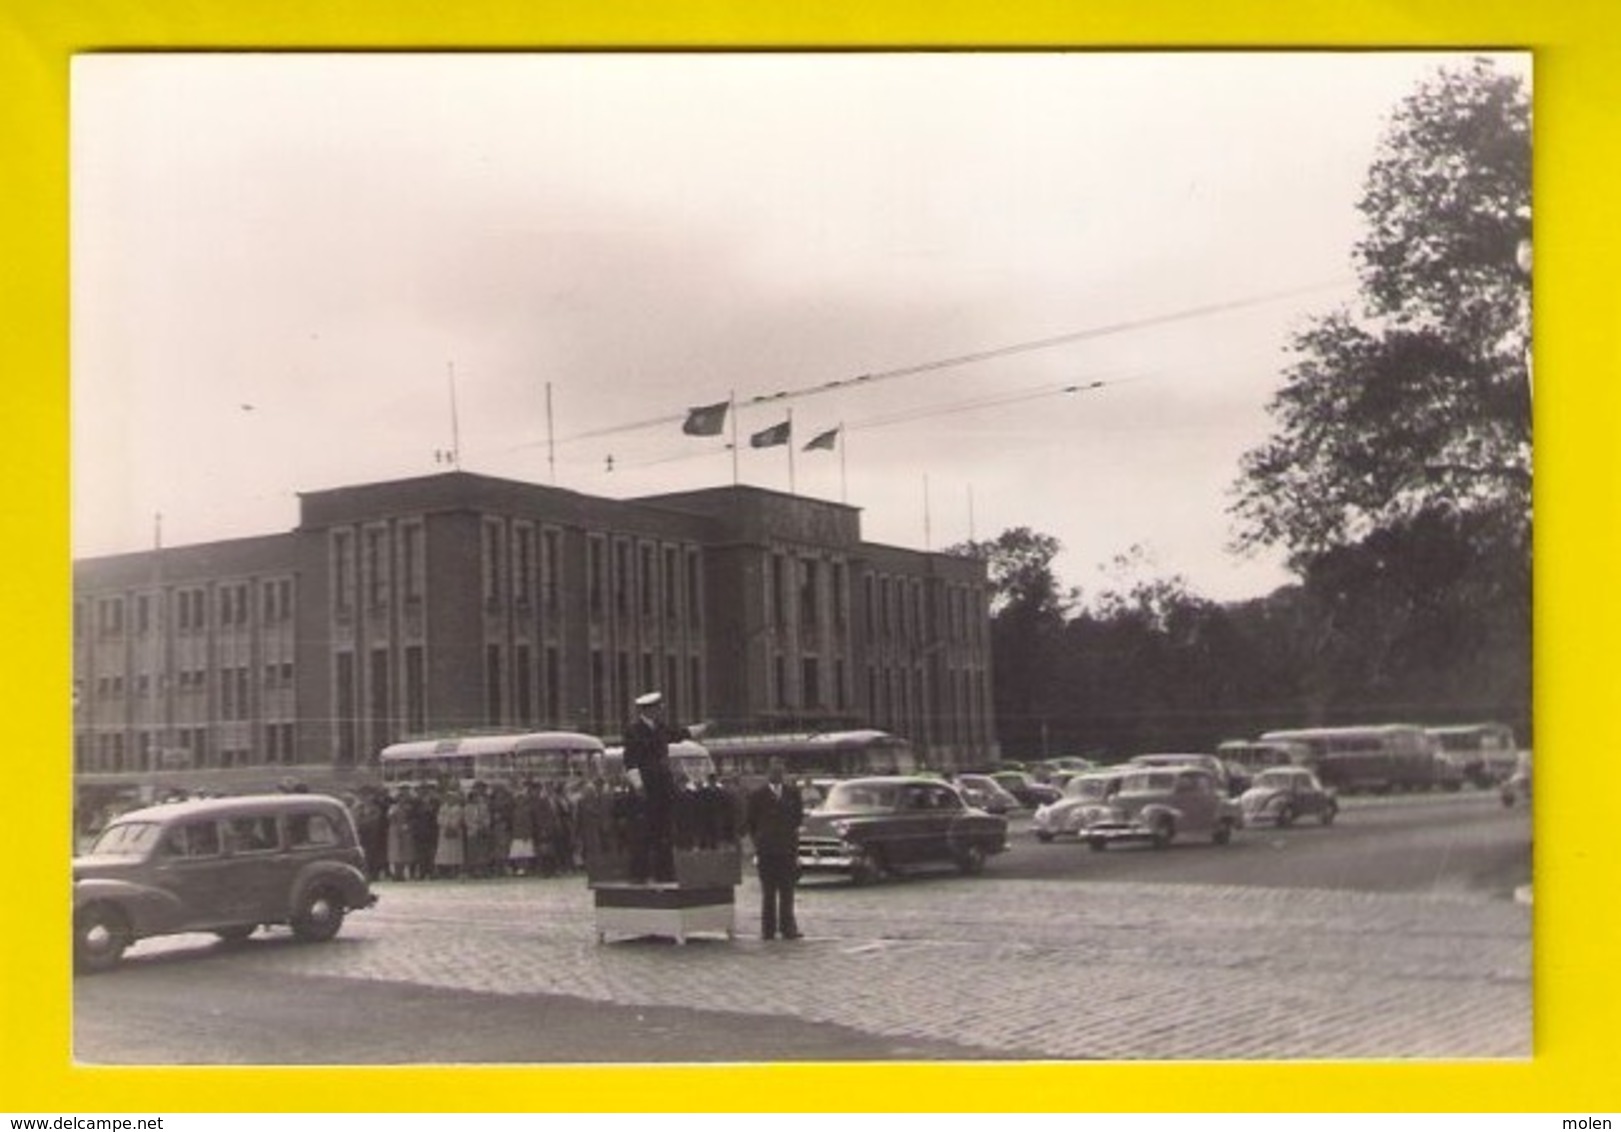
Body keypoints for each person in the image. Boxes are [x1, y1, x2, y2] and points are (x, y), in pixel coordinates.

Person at [621, 691, 701, 883]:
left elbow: (681, 734)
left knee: (664, 831)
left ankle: (664, 873)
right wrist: (638, 786)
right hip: (646, 787)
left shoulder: (660, 728)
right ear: (648, 710)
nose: (660, 711)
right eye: (657, 708)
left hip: (662, 786)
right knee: (643, 832)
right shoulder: (633, 731)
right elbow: (630, 761)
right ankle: (639, 875)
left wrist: (704, 727)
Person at [745, 757, 804, 941]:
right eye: (774, 772)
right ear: (768, 773)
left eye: (780, 772)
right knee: (768, 892)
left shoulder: (793, 794)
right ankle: (768, 929)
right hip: (767, 850)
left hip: (787, 849)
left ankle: (788, 928)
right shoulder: (757, 796)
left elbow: (798, 818)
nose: (777, 775)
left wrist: (789, 838)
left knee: (787, 891)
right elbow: (751, 822)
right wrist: (760, 840)